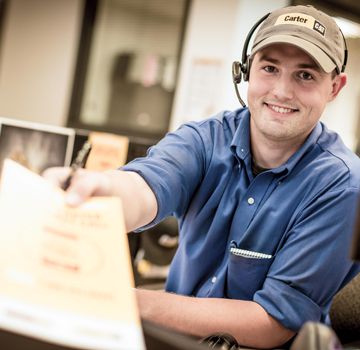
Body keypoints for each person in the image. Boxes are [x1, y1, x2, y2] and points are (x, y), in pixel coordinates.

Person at [44, 5, 360, 349]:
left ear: (334, 87)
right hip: (171, 338)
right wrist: (100, 190)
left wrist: (124, 300)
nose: (282, 91)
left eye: (305, 75)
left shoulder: (342, 185)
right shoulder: (205, 139)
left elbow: (271, 322)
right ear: (245, 71)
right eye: (269, 68)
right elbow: (144, 186)